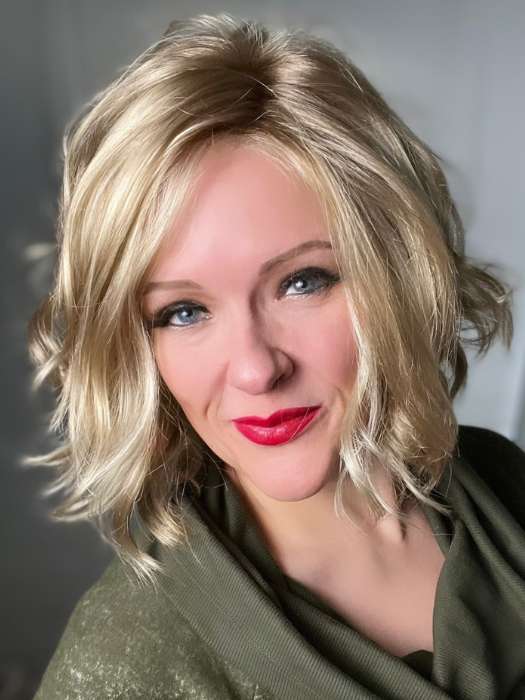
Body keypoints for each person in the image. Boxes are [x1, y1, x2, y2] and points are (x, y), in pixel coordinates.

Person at [27, 13, 525, 700]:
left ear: (396, 272)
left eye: (302, 282)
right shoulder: (128, 660)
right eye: (183, 312)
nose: (257, 370)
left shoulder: (501, 483)